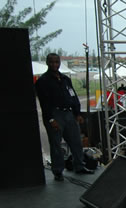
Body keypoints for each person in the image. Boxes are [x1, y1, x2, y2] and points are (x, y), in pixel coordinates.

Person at [35, 53, 95, 181]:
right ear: (47, 63)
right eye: (51, 62)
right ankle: (58, 171)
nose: (54, 64)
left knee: (76, 141)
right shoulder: (43, 81)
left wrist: (77, 113)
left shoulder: (65, 79)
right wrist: (51, 119)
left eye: (56, 62)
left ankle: (79, 165)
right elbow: (44, 102)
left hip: (69, 113)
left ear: (60, 62)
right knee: (56, 144)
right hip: (55, 114)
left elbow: (73, 96)